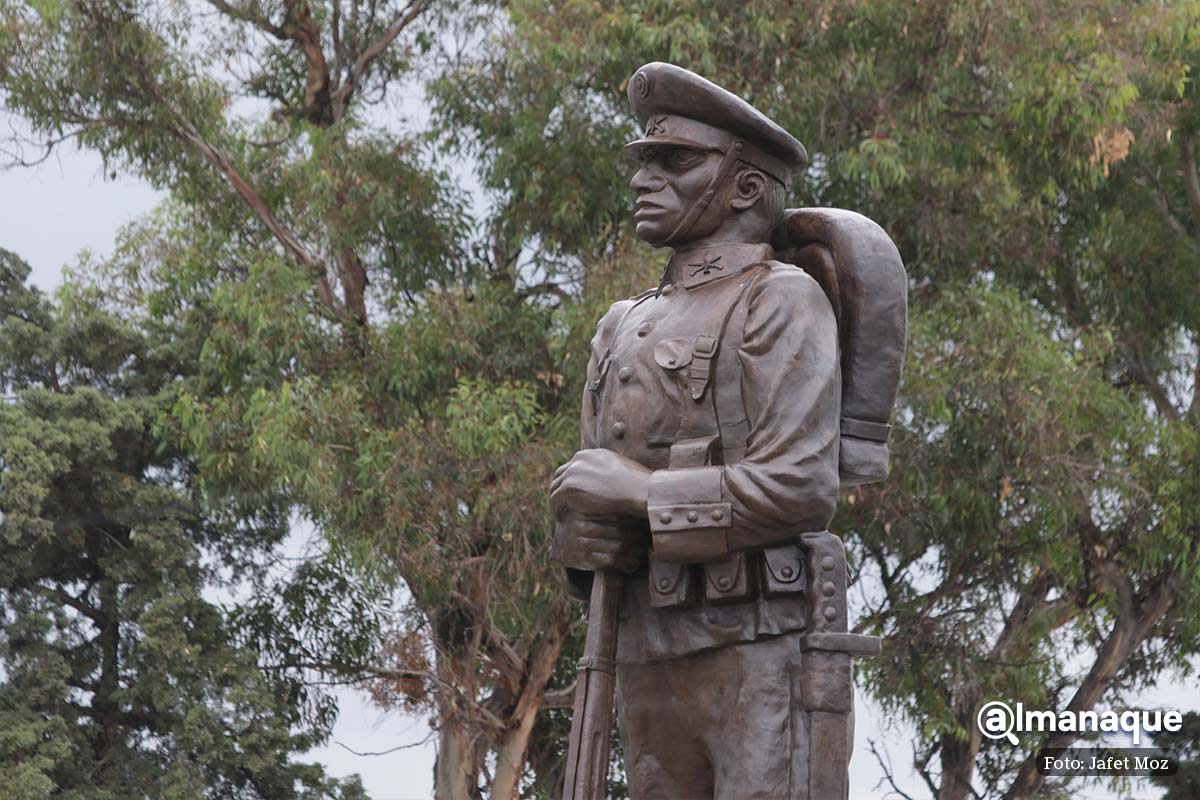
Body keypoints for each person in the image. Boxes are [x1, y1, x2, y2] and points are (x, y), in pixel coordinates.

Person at [550, 62, 845, 799]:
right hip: (645, 644)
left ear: (744, 187)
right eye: (643, 160)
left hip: (754, 646)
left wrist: (641, 495)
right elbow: (596, 496)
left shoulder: (779, 301)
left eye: (674, 161)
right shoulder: (624, 322)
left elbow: (803, 486)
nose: (644, 179)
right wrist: (579, 546)